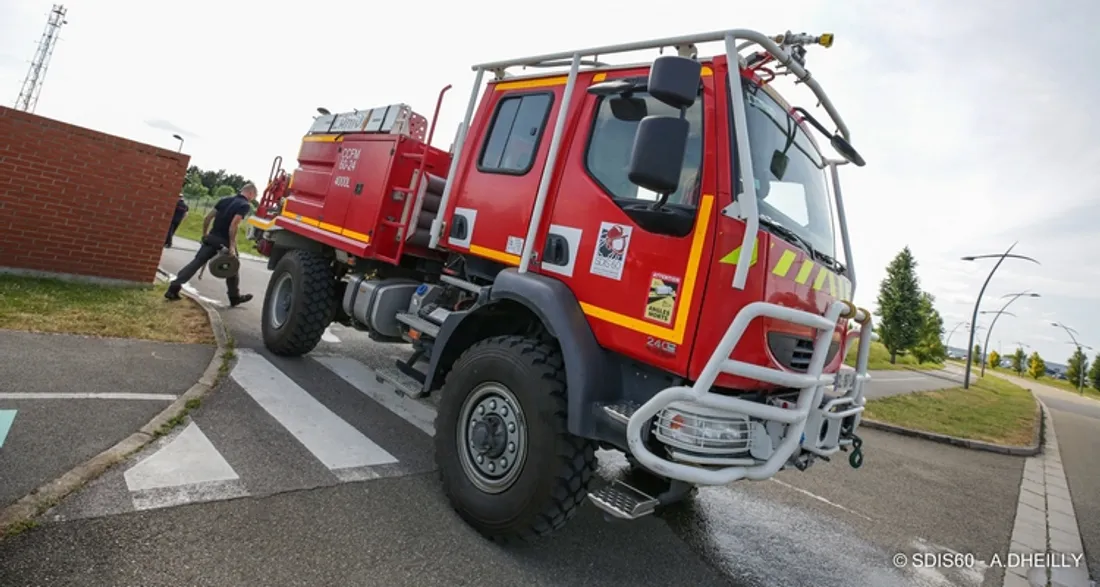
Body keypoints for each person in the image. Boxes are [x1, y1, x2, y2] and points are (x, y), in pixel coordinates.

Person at [164, 183, 257, 306]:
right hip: (224, 241)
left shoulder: (224, 200)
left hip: (212, 237)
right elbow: (233, 225)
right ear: (250, 193)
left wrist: (205, 235)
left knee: (196, 263)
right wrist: (232, 246)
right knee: (233, 267)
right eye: (254, 196)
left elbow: (208, 218)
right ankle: (234, 297)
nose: (253, 198)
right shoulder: (244, 205)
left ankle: (173, 289)